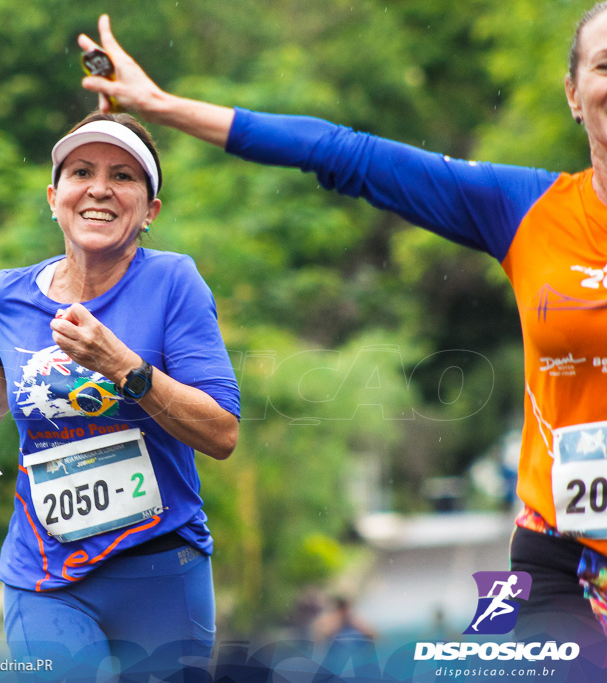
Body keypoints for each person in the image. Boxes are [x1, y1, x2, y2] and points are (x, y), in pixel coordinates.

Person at [78, 7, 607, 644]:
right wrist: (161, 107)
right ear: (575, 94)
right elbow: (343, 153)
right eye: (604, 67)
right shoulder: (530, 211)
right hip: (561, 556)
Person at [0, 111, 241, 678]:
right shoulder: (8, 293)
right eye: (82, 171)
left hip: (160, 569)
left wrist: (123, 366)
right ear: (55, 196)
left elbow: (221, 433)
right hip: (45, 572)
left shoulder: (173, 283)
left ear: (150, 210)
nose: (100, 188)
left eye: (124, 176)